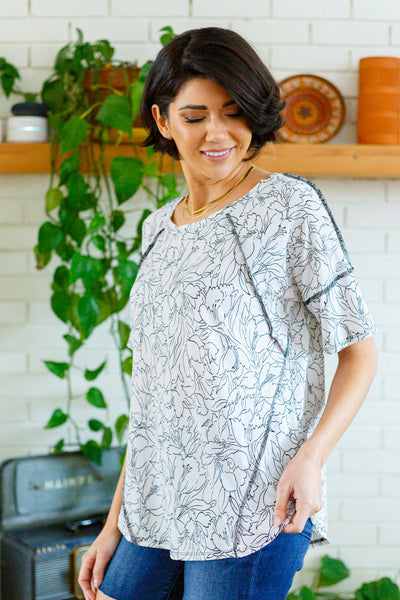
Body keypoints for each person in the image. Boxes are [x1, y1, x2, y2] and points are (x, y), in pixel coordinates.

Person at [78, 27, 378, 600]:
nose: (217, 133)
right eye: (195, 117)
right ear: (164, 121)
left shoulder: (289, 207)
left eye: (234, 113)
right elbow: (155, 398)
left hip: (255, 499)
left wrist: (312, 458)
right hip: (155, 502)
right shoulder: (156, 229)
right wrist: (114, 523)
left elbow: (359, 352)